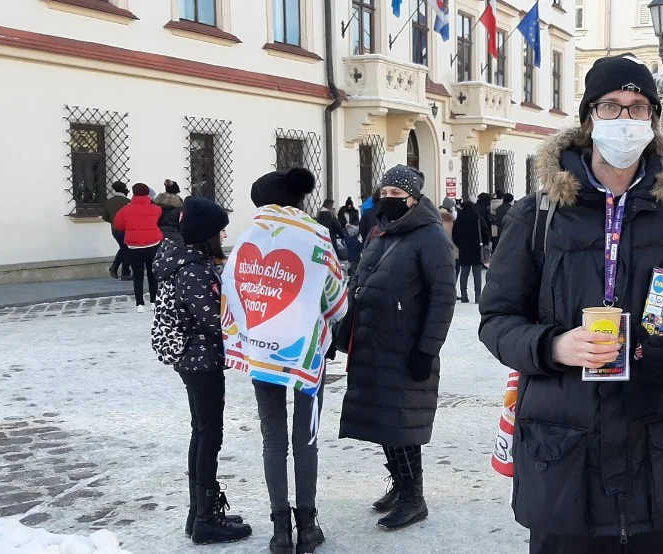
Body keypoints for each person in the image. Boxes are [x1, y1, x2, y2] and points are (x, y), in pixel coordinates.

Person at [478, 53, 663, 553]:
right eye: (611, 106)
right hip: (563, 453)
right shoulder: (538, 214)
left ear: (653, 121)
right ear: (589, 118)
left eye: (639, 108)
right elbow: (496, 320)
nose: (625, 118)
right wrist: (553, 346)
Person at [221, 167, 348, 554]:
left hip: (261, 353)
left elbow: (232, 292)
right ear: (297, 200)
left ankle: (280, 530)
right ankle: (307, 526)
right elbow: (336, 300)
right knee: (304, 439)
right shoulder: (316, 237)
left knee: (272, 441)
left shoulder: (245, 241)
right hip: (306, 353)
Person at [335, 165, 456, 531]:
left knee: (402, 423)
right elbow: (360, 278)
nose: (387, 200)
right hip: (374, 341)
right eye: (383, 194)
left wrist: (427, 349)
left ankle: (413, 498)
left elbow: (442, 297)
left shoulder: (430, 236)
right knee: (384, 421)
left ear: (413, 199)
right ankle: (400, 484)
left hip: (406, 347)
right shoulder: (381, 231)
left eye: (395, 195)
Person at [151, 197, 251, 545]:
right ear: (206, 233)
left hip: (197, 360)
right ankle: (206, 518)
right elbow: (211, 318)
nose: (224, 236)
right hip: (200, 361)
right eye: (220, 230)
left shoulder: (187, 261)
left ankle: (199, 512)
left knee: (202, 433)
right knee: (209, 436)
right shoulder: (193, 268)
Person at [113, 183, 163, 312]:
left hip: (133, 245)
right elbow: (157, 220)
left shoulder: (125, 209)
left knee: (137, 275)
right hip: (153, 243)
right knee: (152, 275)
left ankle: (139, 304)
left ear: (133, 193)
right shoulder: (156, 209)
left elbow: (118, 225)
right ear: (148, 194)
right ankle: (153, 301)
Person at [451, 199, 489, 303]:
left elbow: (454, 234)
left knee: (464, 272)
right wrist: (485, 243)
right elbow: (485, 231)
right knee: (477, 273)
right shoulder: (477, 217)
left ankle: (464, 295)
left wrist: (459, 244)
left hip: (464, 248)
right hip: (477, 248)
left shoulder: (459, 218)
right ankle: (478, 296)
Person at [102, 181, 132, 280]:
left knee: (124, 248)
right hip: (126, 229)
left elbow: (105, 217)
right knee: (126, 249)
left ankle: (120, 270)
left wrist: (112, 221)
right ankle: (122, 272)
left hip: (114, 229)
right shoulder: (127, 201)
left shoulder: (108, 201)